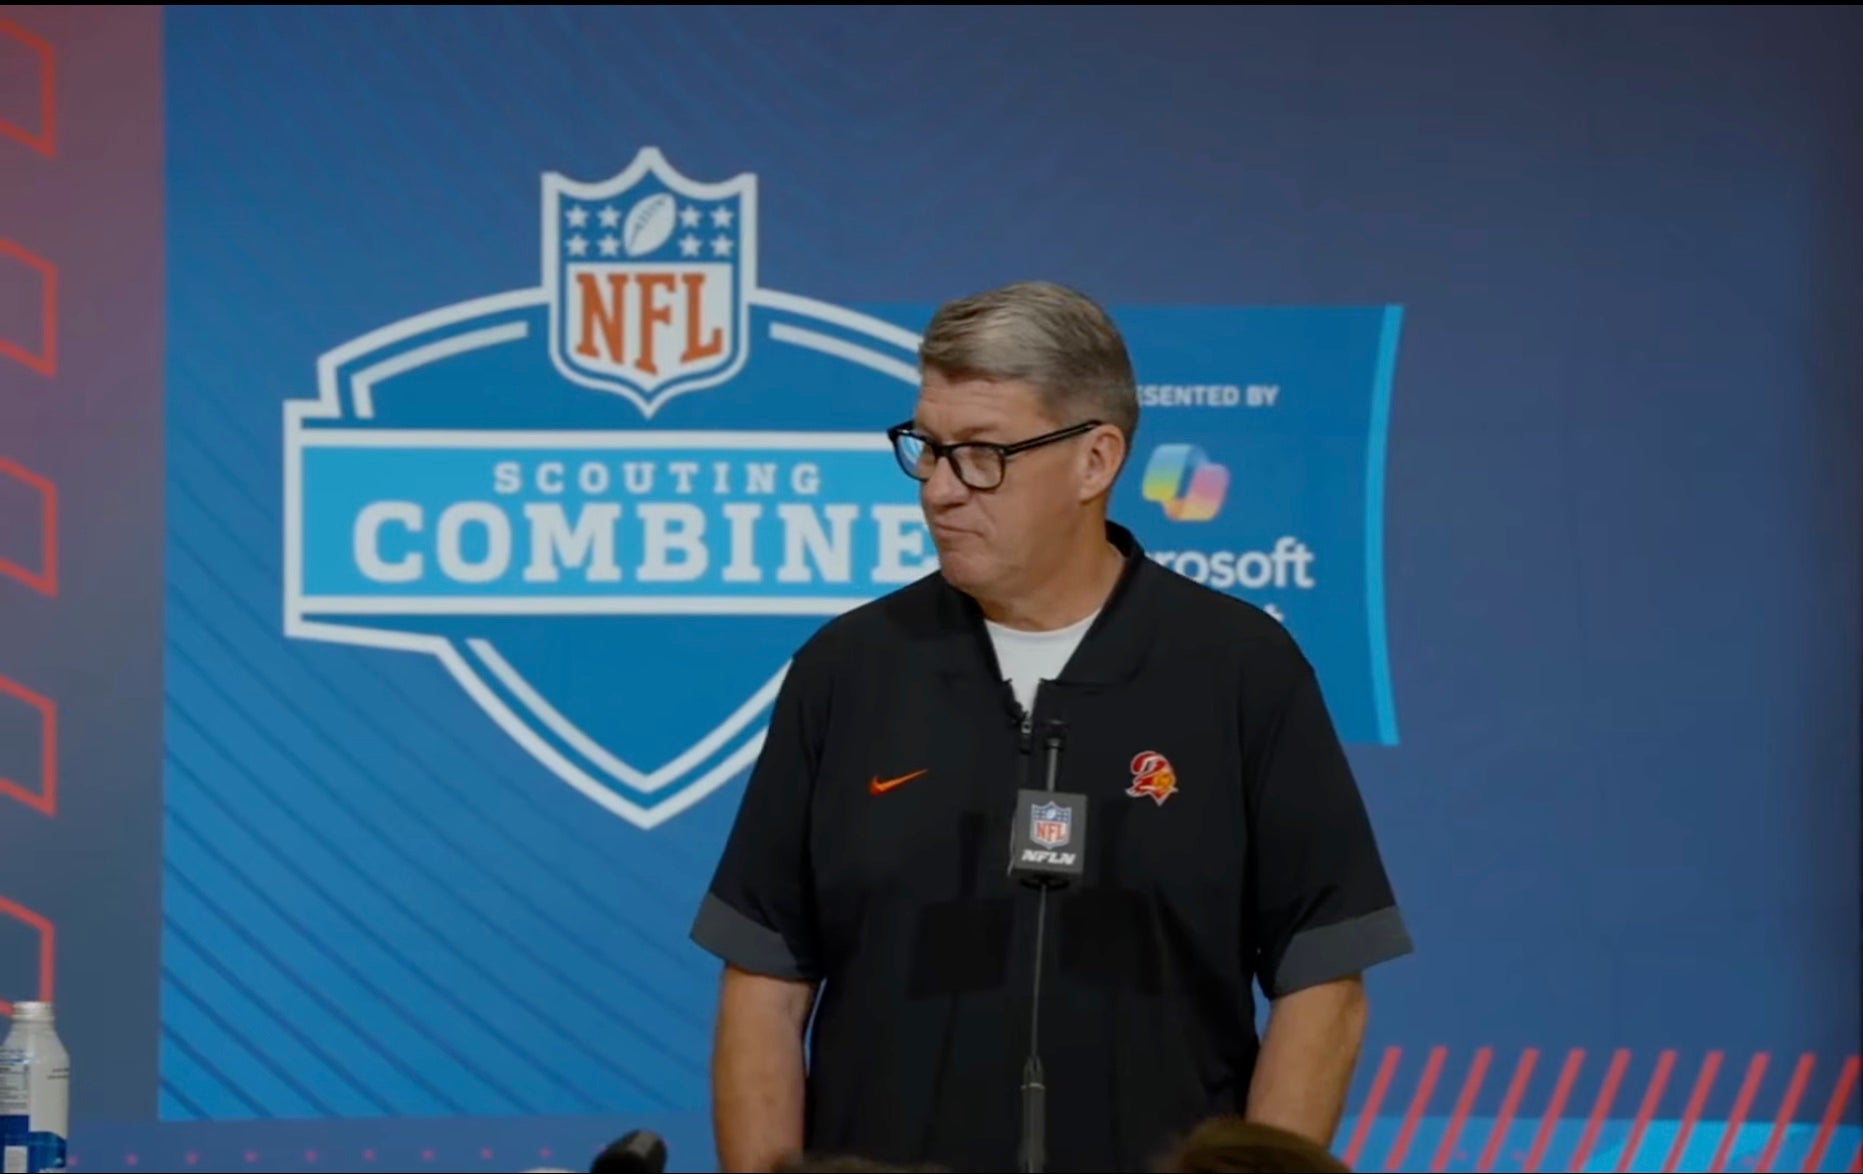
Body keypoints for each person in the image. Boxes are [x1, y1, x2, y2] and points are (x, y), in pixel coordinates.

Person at [689, 281, 1413, 1173]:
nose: (940, 491)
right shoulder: (847, 670)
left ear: (1094, 461)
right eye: (928, 449)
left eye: (981, 454)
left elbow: (1322, 979)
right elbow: (764, 980)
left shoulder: (1240, 670)